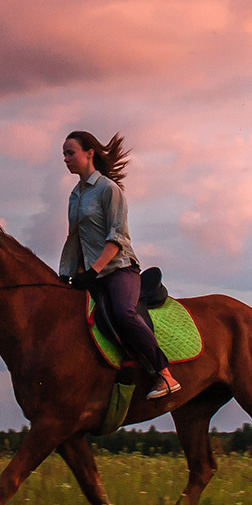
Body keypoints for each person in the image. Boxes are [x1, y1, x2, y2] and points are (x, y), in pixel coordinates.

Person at [59, 131, 181, 400]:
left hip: (119, 269)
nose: (66, 159)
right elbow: (76, 239)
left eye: (71, 153)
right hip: (91, 273)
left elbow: (117, 238)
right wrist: (72, 274)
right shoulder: (75, 195)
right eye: (64, 155)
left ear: (89, 152)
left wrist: (93, 271)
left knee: (124, 312)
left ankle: (164, 374)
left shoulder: (109, 190)